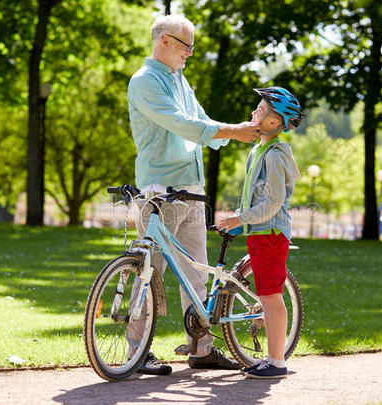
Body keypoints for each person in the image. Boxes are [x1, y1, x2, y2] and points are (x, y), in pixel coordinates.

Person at [126, 14, 261, 375]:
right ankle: (136, 353)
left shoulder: (180, 81)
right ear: (165, 41)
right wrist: (233, 131)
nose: (190, 53)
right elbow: (181, 124)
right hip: (159, 190)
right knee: (148, 272)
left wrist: (236, 132)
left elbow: (199, 119)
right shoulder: (145, 82)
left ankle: (202, 348)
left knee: (196, 272)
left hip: (191, 189)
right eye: (187, 46)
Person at [217, 86, 302, 379]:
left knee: (271, 297)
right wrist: (242, 221)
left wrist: (240, 217)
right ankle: (272, 358)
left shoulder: (275, 156)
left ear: (274, 122)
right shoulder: (259, 149)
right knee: (267, 295)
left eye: (261, 109)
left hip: (270, 233)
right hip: (260, 232)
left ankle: (277, 362)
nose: (255, 112)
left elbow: (273, 202)